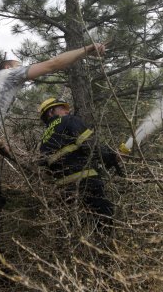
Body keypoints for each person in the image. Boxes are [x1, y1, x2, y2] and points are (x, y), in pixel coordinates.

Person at [0, 43, 106, 279]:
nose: (24, 73)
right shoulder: (9, 74)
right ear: (9, 68)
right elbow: (54, 63)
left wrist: (2, 147)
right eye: (20, 67)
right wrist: (86, 50)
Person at [37, 97, 123, 231]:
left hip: (64, 191)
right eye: (62, 108)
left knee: (78, 227)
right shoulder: (69, 121)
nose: (67, 110)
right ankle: (108, 248)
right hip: (86, 182)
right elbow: (90, 145)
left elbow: (45, 166)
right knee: (104, 222)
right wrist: (112, 156)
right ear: (51, 112)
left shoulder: (44, 139)